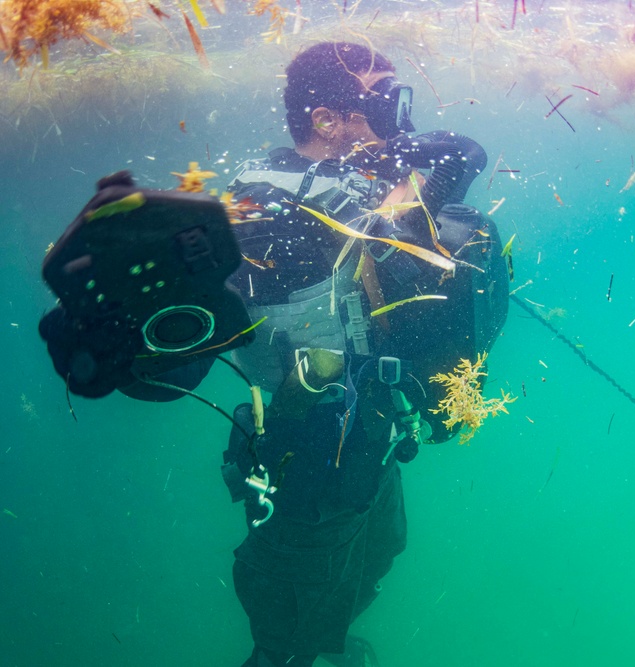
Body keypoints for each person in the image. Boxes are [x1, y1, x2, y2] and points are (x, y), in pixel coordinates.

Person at [39, 41, 508, 666]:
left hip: (368, 438)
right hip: (311, 459)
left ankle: (326, 634)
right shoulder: (273, 209)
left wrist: (438, 188)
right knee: (293, 620)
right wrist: (130, 342)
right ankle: (296, 648)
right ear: (327, 121)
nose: (402, 121)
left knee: (380, 551)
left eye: (402, 102)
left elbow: (399, 284)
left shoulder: (350, 190)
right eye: (386, 102)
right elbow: (209, 324)